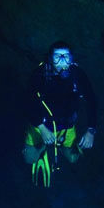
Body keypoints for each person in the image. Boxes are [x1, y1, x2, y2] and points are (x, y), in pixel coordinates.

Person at [23, 41, 98, 186]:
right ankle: (42, 151)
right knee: (29, 159)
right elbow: (28, 102)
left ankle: (55, 147)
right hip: (41, 125)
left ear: (71, 58)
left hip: (66, 127)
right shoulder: (40, 74)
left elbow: (91, 101)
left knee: (73, 158)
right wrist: (42, 129)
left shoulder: (78, 74)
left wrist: (91, 130)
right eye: (57, 57)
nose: (62, 61)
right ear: (50, 58)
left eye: (66, 56)